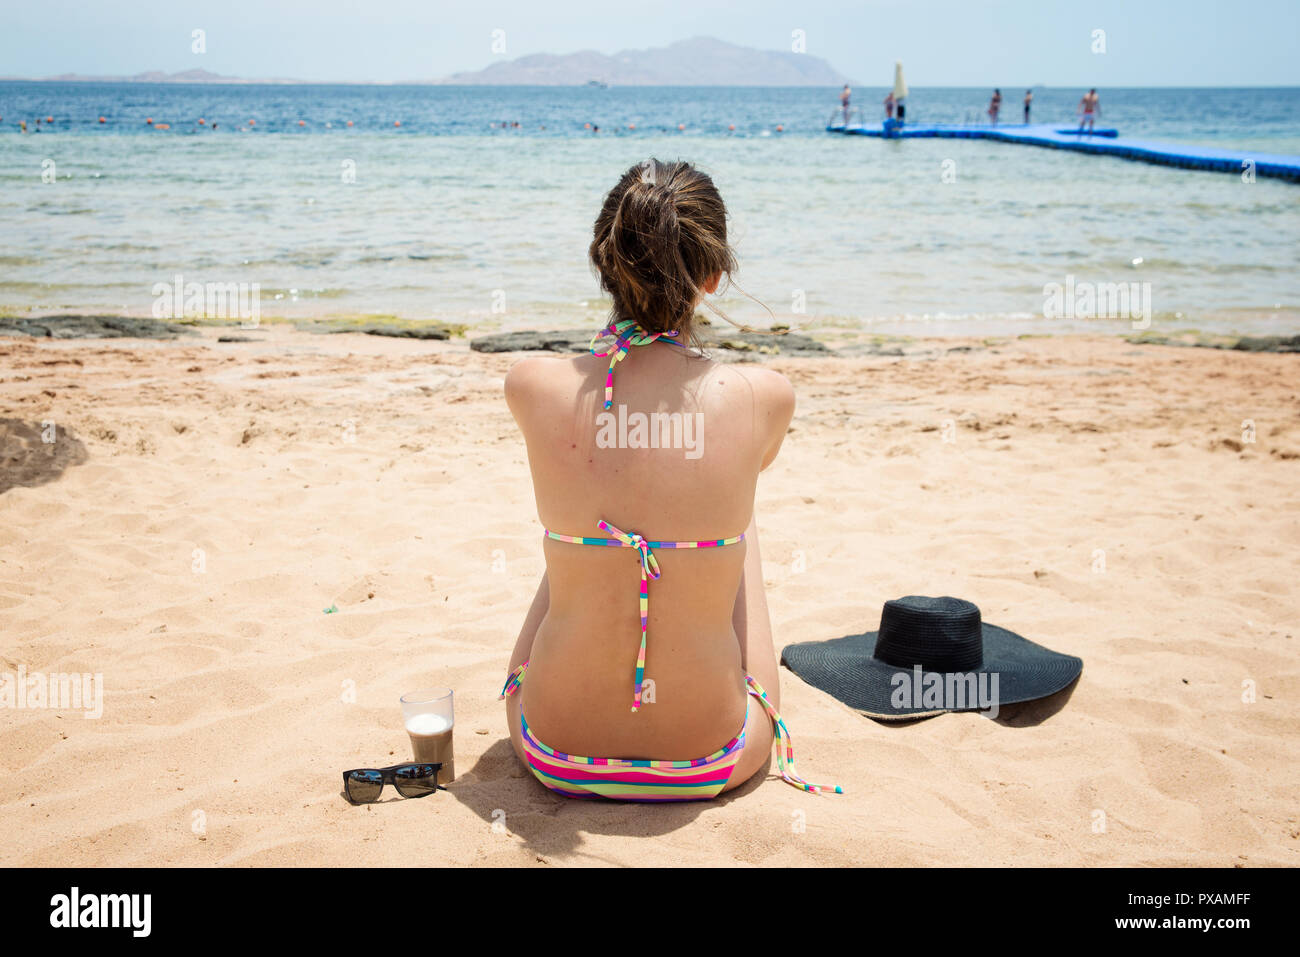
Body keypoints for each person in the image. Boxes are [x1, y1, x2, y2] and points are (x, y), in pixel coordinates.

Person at [500, 159, 841, 801]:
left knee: (589, 535)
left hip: (551, 748)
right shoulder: (762, 395)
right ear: (714, 276)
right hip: (713, 756)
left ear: (603, 262)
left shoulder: (530, 384)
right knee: (738, 520)